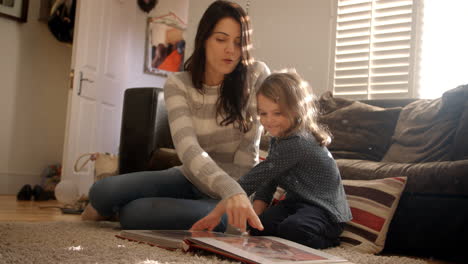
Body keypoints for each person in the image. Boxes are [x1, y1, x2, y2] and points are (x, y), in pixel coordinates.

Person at [81, 0, 270, 232]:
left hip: (235, 192)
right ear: (204, 40)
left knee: (134, 215)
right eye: (221, 39)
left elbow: (249, 150)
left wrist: (234, 193)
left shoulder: (256, 74)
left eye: (239, 43)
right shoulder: (178, 84)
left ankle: (146, 212)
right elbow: (188, 149)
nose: (231, 50)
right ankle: (131, 209)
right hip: (190, 177)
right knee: (101, 192)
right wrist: (228, 188)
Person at [191, 71, 352, 249]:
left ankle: (331, 242)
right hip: (296, 203)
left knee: (293, 229)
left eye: (277, 113)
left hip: (325, 210)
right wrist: (257, 221)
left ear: (297, 110)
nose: (269, 121)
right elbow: (269, 180)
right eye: (263, 113)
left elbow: (252, 179)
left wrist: (215, 214)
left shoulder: (298, 142)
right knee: (262, 228)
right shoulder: (280, 138)